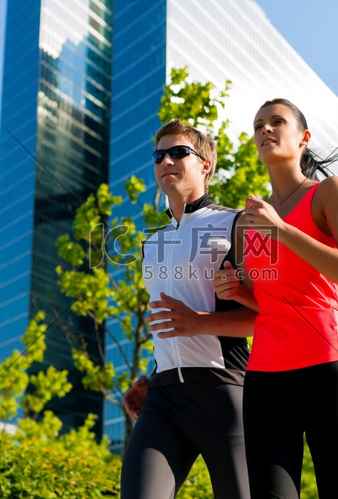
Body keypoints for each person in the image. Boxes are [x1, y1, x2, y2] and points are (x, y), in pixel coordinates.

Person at [213, 98, 338, 498]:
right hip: (265, 378)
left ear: (303, 138)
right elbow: (276, 301)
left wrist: (281, 230)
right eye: (258, 125)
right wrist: (238, 292)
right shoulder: (253, 220)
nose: (265, 129)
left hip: (327, 371)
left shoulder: (326, 193)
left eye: (276, 121)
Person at [120, 119, 255, 499]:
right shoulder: (152, 245)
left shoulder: (239, 224)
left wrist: (200, 323)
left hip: (224, 392)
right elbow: (169, 324)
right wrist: (151, 375)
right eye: (159, 155)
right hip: (162, 399)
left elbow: (271, 317)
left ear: (205, 165)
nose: (166, 161)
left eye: (179, 152)